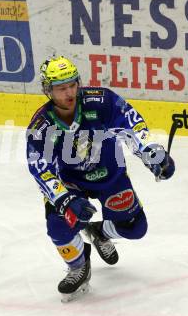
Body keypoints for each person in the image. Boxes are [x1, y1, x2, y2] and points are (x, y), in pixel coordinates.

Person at [26, 56, 175, 302]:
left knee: (136, 229)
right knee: (58, 225)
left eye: (72, 84)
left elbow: (133, 127)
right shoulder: (41, 125)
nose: (70, 92)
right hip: (71, 183)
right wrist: (64, 199)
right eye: (61, 88)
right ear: (48, 90)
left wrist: (153, 155)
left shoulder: (101, 100)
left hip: (110, 173)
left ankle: (99, 231)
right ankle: (78, 266)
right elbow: (39, 168)